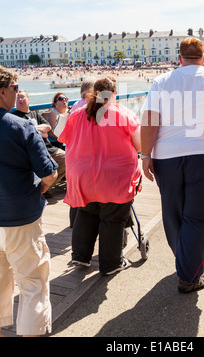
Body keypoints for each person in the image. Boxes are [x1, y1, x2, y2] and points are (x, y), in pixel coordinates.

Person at [140, 38, 204, 293]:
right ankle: (189, 275)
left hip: (168, 155)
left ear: (179, 58)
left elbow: (150, 120)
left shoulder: (162, 81)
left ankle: (186, 263)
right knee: (200, 218)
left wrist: (145, 155)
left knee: (173, 214)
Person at [58, 77, 141, 274]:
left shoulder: (78, 113)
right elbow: (140, 145)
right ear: (114, 93)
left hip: (82, 175)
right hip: (114, 178)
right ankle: (111, 264)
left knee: (86, 213)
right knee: (112, 218)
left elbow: (63, 137)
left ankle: (80, 256)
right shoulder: (123, 113)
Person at [0, 66, 58, 337]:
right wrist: (41, 188)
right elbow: (49, 173)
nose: (16, 93)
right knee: (32, 283)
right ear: (2, 92)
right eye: (15, 88)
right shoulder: (22, 126)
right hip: (19, 216)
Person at [14, 90, 66, 191]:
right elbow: (21, 133)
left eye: (22, 97)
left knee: (66, 159)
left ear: (28, 99)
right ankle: (41, 189)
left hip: (48, 148)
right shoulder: (15, 116)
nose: (20, 100)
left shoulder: (35, 114)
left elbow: (47, 127)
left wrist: (31, 128)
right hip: (32, 151)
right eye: (17, 98)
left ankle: (45, 187)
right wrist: (40, 131)